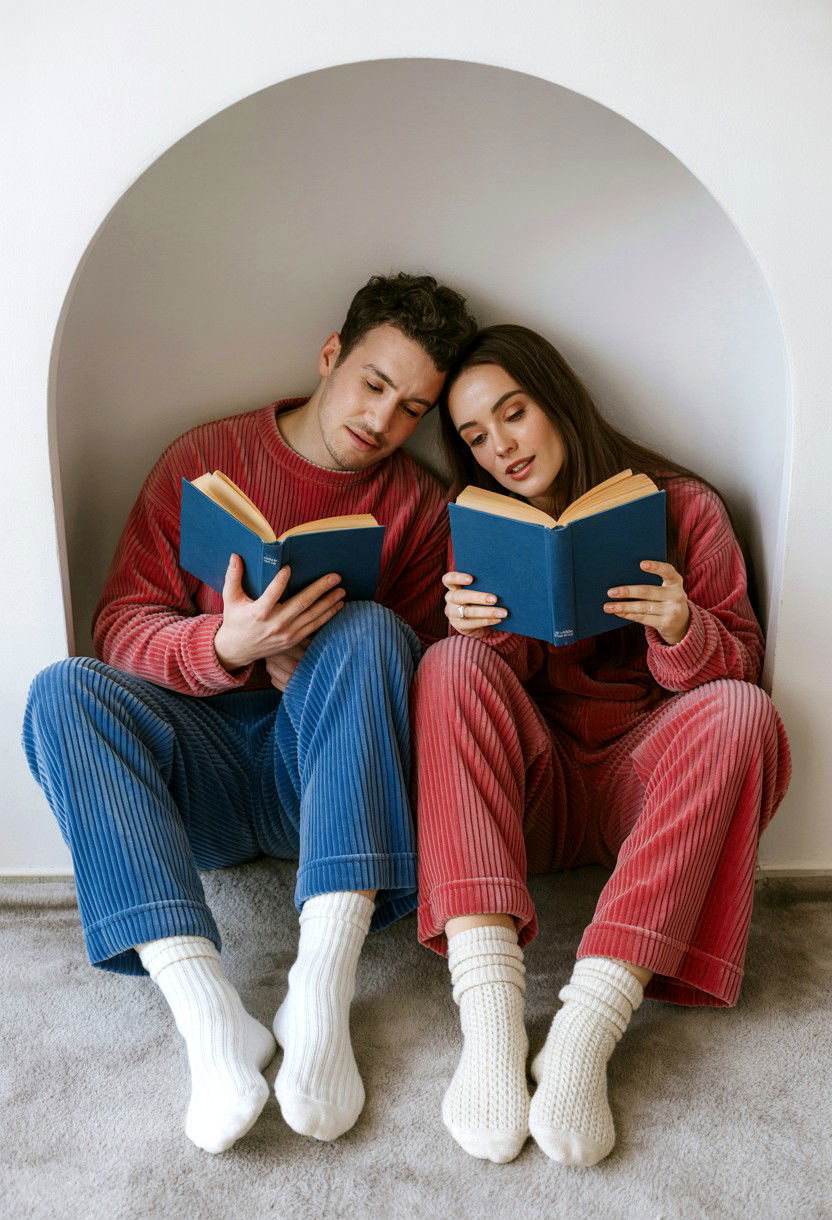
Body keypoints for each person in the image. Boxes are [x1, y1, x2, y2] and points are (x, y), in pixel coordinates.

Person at [22, 273, 477, 1154]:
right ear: (330, 356)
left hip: (324, 786)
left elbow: (423, 695)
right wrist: (225, 647)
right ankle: (210, 1018)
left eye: (412, 408)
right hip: (199, 772)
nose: (383, 422)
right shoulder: (206, 458)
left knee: (375, 629)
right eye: (374, 385)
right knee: (60, 691)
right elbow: (119, 626)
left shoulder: (417, 506)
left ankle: (322, 987)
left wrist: (325, 661)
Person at [410, 324, 792, 1166]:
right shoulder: (478, 526)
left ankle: (586, 1029)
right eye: (476, 436)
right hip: (533, 791)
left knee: (741, 714)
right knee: (446, 663)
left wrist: (683, 625)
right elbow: (480, 695)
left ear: (558, 402)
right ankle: (492, 1024)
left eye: (513, 414)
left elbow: (743, 667)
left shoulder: (685, 508)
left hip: (640, 787)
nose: (500, 446)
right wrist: (483, 632)